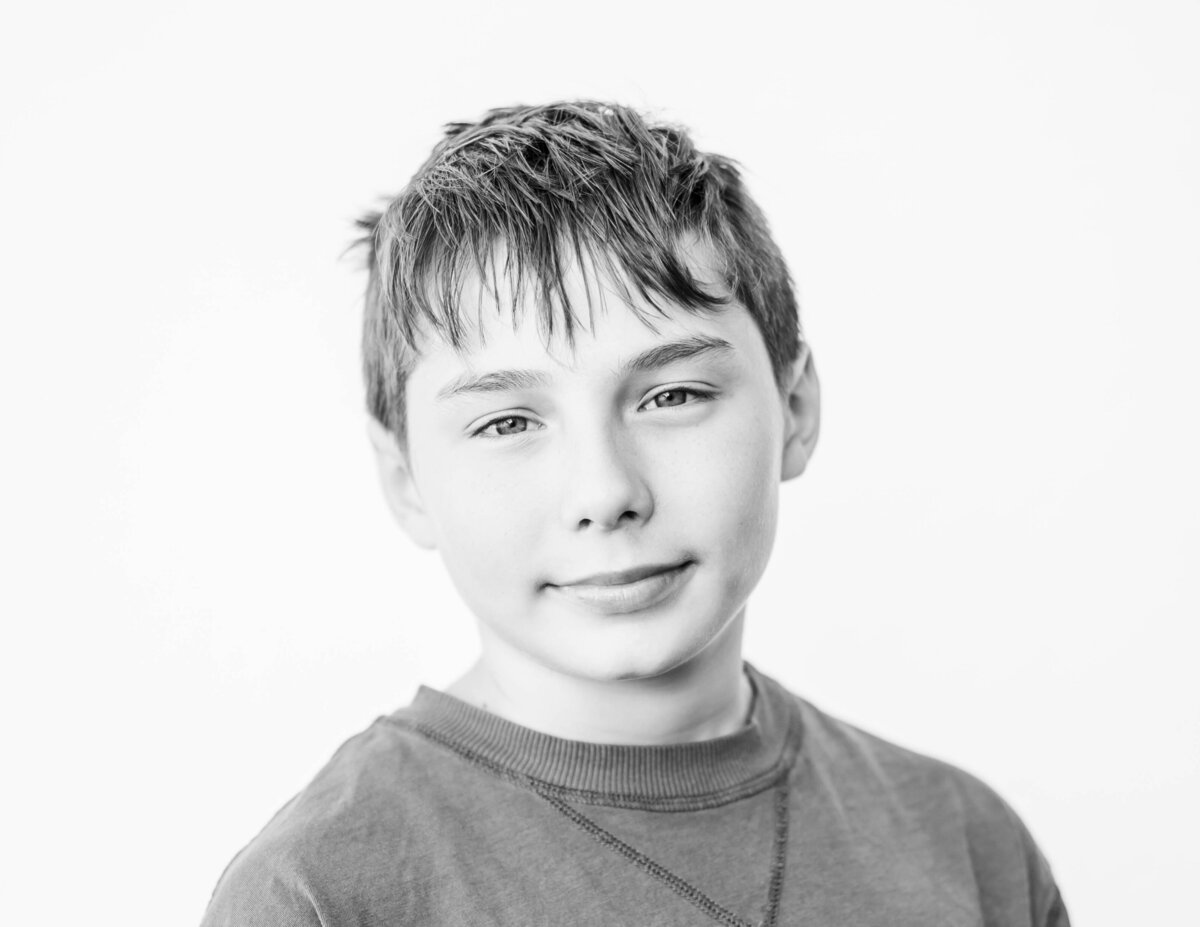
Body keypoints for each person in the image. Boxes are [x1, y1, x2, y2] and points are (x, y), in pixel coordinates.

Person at [200, 100, 1069, 926]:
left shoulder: (967, 843)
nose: (606, 492)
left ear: (795, 409)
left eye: (674, 395)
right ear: (405, 479)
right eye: (507, 421)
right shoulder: (319, 893)